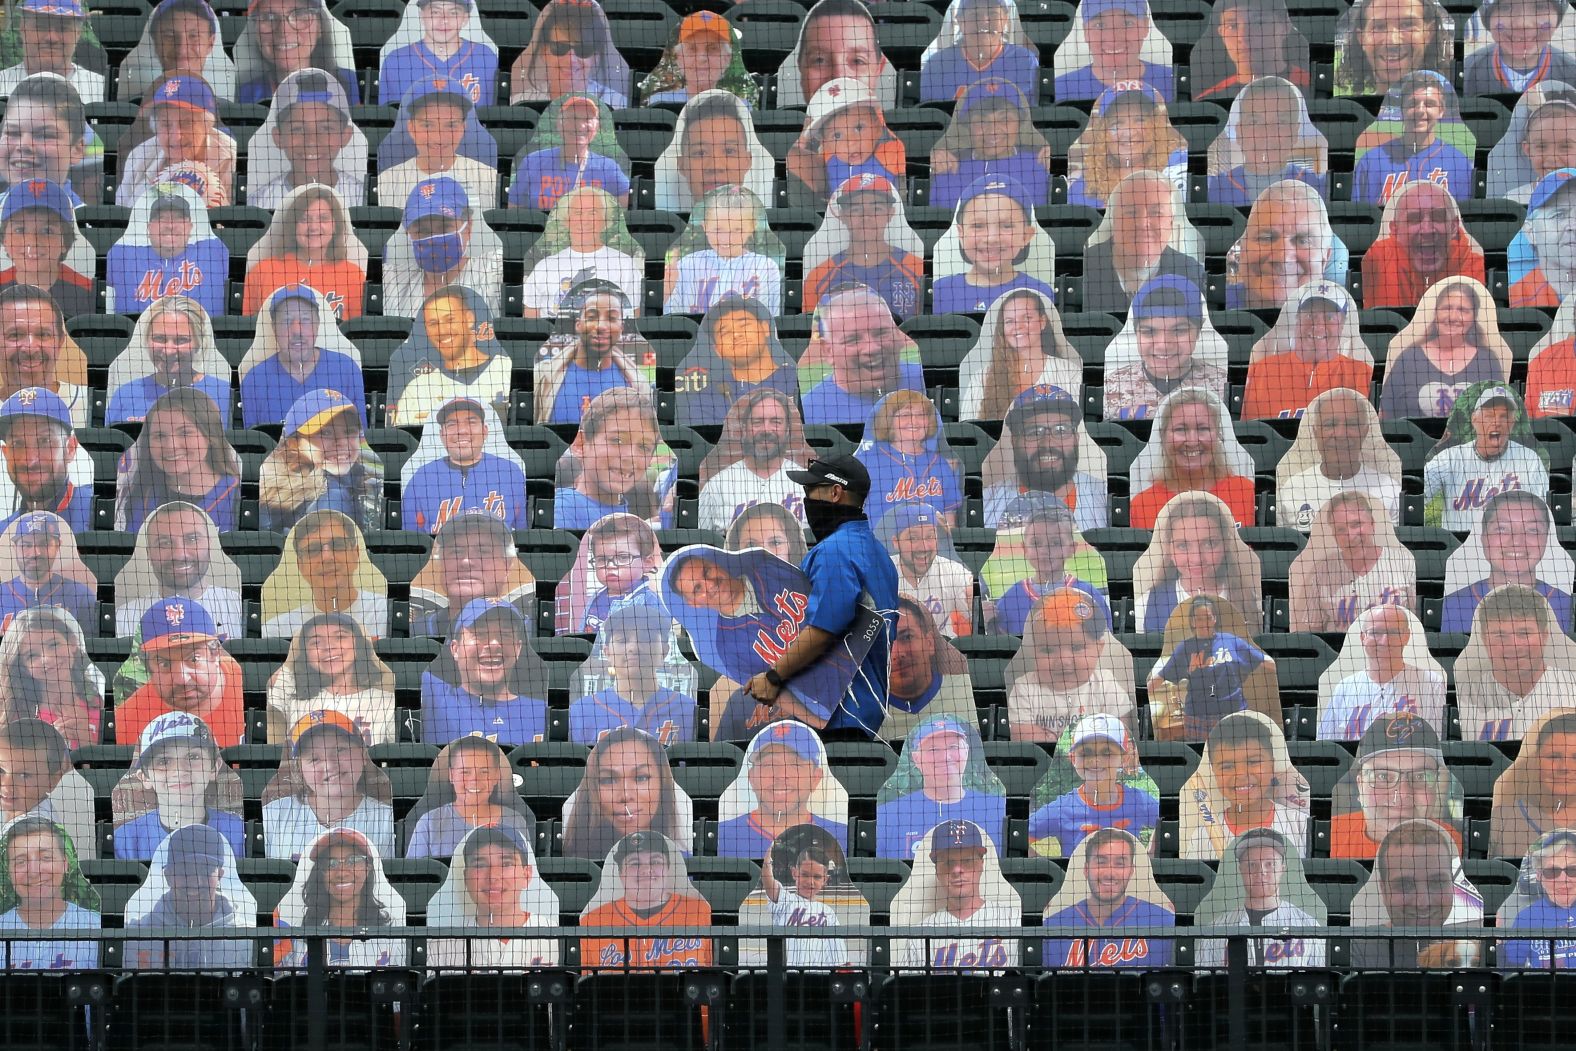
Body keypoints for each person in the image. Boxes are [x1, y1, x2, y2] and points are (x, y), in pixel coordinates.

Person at [743, 454, 900, 738]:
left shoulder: (835, 551)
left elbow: (823, 630)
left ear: (835, 492)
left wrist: (773, 676)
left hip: (836, 714)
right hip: (863, 710)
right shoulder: (879, 553)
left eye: (811, 490)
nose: (807, 499)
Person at [262, 712, 394, 862]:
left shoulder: (388, 821)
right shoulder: (272, 816)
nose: (330, 765)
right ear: (300, 769)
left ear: (363, 755)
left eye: (340, 750)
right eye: (314, 758)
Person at [1348, 820, 1482, 968]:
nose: (1422, 902)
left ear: (1452, 884)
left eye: (1437, 883)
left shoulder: (1481, 946)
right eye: (1405, 885)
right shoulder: (1354, 949)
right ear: (1384, 889)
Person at [891, 819, 1020, 971]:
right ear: (937, 871)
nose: (957, 870)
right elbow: (905, 992)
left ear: (981, 865)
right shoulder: (920, 934)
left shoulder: (1014, 922)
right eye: (948, 863)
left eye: (966, 861)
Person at [113, 710, 242, 860]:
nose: (180, 771)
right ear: (145, 777)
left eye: (193, 757)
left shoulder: (238, 832)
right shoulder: (125, 840)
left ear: (214, 768)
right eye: (163, 761)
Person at [1330, 712, 1461, 860]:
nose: (1403, 793)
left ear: (1435, 786)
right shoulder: (1327, 838)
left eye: (1420, 776)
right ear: (1360, 785)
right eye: (1383, 776)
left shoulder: (1455, 847)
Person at [124, 823, 255, 970]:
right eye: (184, 868)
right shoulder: (130, 940)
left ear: (220, 875)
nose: (195, 881)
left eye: (206, 869)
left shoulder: (250, 940)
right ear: (168, 875)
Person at [426, 825, 559, 969]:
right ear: (466, 878)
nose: (493, 876)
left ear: (526, 874)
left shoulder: (557, 938)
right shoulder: (440, 948)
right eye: (480, 865)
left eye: (506, 863)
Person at [1181, 711, 1310, 859]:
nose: (1241, 774)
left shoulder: (1301, 826)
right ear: (1214, 772)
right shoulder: (1201, 838)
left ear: (1272, 766)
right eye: (1227, 766)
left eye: (1253, 762)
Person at [115, 597, 242, 746]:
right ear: (149, 667)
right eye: (164, 663)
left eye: (193, 659)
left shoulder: (246, 683)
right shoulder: (126, 722)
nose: (181, 678)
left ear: (215, 655)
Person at [875, 714, 1006, 858]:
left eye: (953, 746)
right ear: (916, 759)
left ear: (966, 751)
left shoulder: (998, 809)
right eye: (933, 750)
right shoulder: (888, 816)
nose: (945, 757)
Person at [1456, 585, 1576, 742]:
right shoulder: (1461, 697)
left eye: (1524, 633)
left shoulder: (1572, 690)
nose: (1513, 645)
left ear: (1544, 636)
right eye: (1500, 635)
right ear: (1485, 640)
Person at [421, 598, 548, 746]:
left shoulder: (542, 714)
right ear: (455, 649)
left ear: (518, 649)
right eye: (480, 634)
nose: (494, 644)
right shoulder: (435, 699)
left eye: (505, 635)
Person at [1027, 714, 1158, 858]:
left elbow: (1171, 820)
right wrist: (1050, 870)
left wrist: (1149, 860)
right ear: (1073, 759)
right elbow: (1019, 835)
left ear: (1124, 759)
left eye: (1107, 752)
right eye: (1086, 753)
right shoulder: (1062, 809)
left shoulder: (1138, 800)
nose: (1095, 760)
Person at [1041, 828, 1175, 967]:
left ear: (1131, 871)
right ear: (1086, 870)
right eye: (1101, 862)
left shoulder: (1166, 922)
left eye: (1120, 863)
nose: (1110, 872)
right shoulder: (1051, 927)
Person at [1383, 278, 1512, 422]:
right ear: (1436, 313)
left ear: (1473, 317)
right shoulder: (1408, 358)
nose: (1453, 317)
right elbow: (1386, 414)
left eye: (1463, 310)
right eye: (1446, 308)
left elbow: (1501, 417)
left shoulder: (1487, 361)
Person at [1148, 596, 1276, 741]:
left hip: (1234, 713)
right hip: (1198, 718)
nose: (1204, 623)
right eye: (1199, 618)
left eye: (1208, 617)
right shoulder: (1184, 648)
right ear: (1192, 621)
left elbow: (1264, 660)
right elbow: (1160, 677)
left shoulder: (1231, 641)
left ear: (1214, 619)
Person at [580, 830, 712, 971]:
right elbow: (588, 986)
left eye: (655, 861)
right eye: (635, 863)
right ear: (620, 874)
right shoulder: (592, 921)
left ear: (667, 869)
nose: (646, 869)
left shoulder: (699, 911)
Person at [982, 385, 1108, 531]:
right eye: (1033, 432)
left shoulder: (1106, 499)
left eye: (1061, 430)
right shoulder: (985, 503)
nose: (1048, 443)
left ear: (1076, 438)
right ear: (1014, 441)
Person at [273, 827, 403, 969]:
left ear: (368, 867)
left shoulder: (393, 936)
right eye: (331, 863)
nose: (341, 872)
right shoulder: (297, 941)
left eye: (353, 861)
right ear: (321, 873)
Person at [1422, 385, 1549, 531]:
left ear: (1512, 423)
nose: (1497, 422)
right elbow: (1417, 494)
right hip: (1460, 549)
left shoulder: (1530, 460)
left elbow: (1544, 515)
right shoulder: (1450, 458)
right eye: (1489, 415)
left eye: (1504, 416)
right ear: (1474, 420)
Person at [1194, 828, 1327, 968]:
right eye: (1252, 864)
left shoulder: (1308, 926)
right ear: (1241, 870)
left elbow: (1321, 983)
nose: (1261, 872)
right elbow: (1203, 983)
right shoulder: (1217, 930)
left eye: (1270, 864)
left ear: (1282, 868)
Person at [1442, 491, 1572, 633]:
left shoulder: (1568, 607)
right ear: (1483, 537)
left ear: (1546, 538)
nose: (1516, 541)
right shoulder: (1449, 607)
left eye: (1532, 530)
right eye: (1502, 529)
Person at [239, 284, 366, 429]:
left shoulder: (345, 370)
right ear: (274, 328)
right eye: (286, 321)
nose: (296, 330)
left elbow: (359, 442)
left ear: (317, 325)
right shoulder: (254, 380)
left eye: (305, 320)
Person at [113, 387, 239, 534]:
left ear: (210, 436)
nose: (171, 446)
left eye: (185, 433)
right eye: (160, 436)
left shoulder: (238, 498)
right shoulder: (141, 497)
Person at [1241, 281, 1372, 420]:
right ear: (1297, 320)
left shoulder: (1363, 374)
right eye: (1310, 316)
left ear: (1342, 325)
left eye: (1329, 317)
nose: (1318, 325)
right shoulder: (1260, 371)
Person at [1289, 491, 1415, 633]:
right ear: (1334, 535)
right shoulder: (1322, 572)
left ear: (1372, 524)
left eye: (1356, 524)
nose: (1350, 535)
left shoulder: (1406, 564)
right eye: (1341, 529)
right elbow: (1312, 633)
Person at [1103, 275, 1226, 421]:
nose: (1164, 345)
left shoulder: (1222, 386)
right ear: (1136, 333)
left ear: (1198, 331)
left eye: (1179, 330)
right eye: (1149, 332)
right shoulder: (1111, 387)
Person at [1130, 388, 1256, 530]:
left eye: (1203, 429)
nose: (1192, 441)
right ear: (1163, 437)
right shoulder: (1141, 505)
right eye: (1180, 429)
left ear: (1217, 435)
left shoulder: (1246, 492)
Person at [385, 285, 511, 427]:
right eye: (433, 323)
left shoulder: (507, 370)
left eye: (450, 319)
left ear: (469, 318)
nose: (442, 330)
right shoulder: (418, 388)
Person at [717, 721, 847, 858]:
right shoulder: (721, 836)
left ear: (815, 778)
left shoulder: (841, 836)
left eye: (795, 765)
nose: (781, 775)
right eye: (769, 765)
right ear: (751, 777)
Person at [260, 389, 382, 536]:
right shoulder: (332, 497)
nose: (342, 442)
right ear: (293, 443)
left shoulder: (346, 479)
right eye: (325, 433)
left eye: (349, 432)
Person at [570, 604, 696, 746]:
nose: (633, 648)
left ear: (664, 650)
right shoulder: (581, 711)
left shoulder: (689, 709)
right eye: (622, 640)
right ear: (607, 653)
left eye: (646, 638)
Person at [1081, 171, 1207, 313]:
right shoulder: (1082, 267)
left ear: (1170, 222)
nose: (1142, 223)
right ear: (1113, 220)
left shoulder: (1194, 274)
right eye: (1130, 212)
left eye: (1156, 212)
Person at [1278, 388, 1402, 531]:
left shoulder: (1390, 491)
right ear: (1316, 432)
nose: (1341, 434)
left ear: (1365, 431)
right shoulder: (1292, 490)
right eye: (1330, 424)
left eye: (1351, 424)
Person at [1137, 493, 1261, 634]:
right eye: (1183, 546)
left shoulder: (1252, 603)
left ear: (1225, 544)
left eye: (1209, 543)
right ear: (1169, 548)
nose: (1196, 558)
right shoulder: (1145, 606)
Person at [931, 174, 1055, 315]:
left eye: (1007, 226)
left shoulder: (1041, 293)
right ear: (961, 233)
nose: (992, 238)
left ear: (1026, 236)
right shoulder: (938, 292)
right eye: (978, 225)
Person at [799, 286, 924, 425]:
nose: (872, 348)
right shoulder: (808, 411)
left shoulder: (926, 381)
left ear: (899, 337)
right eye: (853, 340)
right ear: (828, 351)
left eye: (881, 333)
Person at [244, 69, 366, 211]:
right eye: (297, 129)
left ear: (345, 136)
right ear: (278, 138)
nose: (311, 141)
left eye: (326, 128)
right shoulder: (258, 205)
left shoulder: (362, 199)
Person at [562, 727, 690, 861]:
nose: (625, 795)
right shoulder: (571, 865)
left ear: (662, 784)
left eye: (641, 778)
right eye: (608, 780)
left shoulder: (686, 863)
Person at [402, 397, 527, 534]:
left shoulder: (509, 472)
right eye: (452, 424)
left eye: (471, 422)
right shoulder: (422, 478)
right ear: (441, 434)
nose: (462, 430)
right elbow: (411, 541)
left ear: (485, 431)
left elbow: (524, 533)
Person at [384, 175, 502, 320]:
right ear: (408, 233)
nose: (434, 240)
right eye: (422, 231)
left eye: (444, 227)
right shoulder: (391, 281)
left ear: (468, 227)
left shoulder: (495, 271)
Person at [241, 185, 366, 321]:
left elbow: (357, 336)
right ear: (293, 225)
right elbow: (249, 333)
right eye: (304, 219)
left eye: (323, 218)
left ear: (335, 226)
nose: (313, 227)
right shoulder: (263, 272)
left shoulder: (353, 275)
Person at [1320, 606, 1446, 741]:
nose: (1385, 641)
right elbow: (1326, 748)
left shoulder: (1433, 684)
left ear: (1406, 636)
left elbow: (1439, 747)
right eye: (1376, 632)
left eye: (1393, 632)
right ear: (1363, 637)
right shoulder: (1345, 688)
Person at [265, 615, 395, 745]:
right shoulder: (293, 695)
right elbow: (277, 681)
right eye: (316, 642)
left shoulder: (384, 701)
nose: (328, 647)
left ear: (358, 645)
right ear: (305, 653)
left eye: (340, 637)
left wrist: (367, 649)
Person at [930, 78, 1054, 213]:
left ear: (1020, 124)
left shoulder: (1041, 164)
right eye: (981, 121)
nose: (993, 130)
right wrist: (929, 169)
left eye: (1004, 119)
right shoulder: (946, 169)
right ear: (967, 126)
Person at [1351, 71, 1474, 205]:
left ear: (1441, 111)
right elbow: (1359, 220)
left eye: (1429, 104)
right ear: (1402, 110)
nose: (1420, 111)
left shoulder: (1459, 163)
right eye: (1412, 104)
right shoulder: (1371, 162)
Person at [696, 390, 811, 533]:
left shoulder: (807, 485)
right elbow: (703, 545)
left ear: (787, 430)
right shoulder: (717, 486)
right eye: (757, 422)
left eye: (776, 422)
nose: (766, 429)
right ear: (744, 429)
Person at [674, 295, 798, 428]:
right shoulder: (708, 400)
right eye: (725, 332)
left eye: (744, 325)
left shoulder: (798, 381)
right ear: (717, 350)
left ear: (765, 328)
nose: (736, 335)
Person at [105, 297, 231, 427]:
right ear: (147, 340)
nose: (169, 351)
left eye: (181, 340)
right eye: (159, 338)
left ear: (199, 343)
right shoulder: (125, 395)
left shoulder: (225, 394)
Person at [115, 72, 235, 208]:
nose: (176, 136)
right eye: (166, 124)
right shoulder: (139, 156)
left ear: (206, 125)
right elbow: (121, 211)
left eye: (187, 123)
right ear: (155, 126)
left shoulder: (232, 159)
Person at [534, 286, 651, 426]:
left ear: (621, 328)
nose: (601, 326)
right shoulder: (542, 376)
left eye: (611, 318)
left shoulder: (639, 386)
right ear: (578, 325)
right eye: (591, 317)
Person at [105, 183, 227, 317]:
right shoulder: (122, 256)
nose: (170, 225)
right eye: (161, 218)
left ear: (190, 226)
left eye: (178, 219)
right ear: (149, 227)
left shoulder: (214, 252)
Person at [263, 511, 388, 640]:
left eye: (337, 545)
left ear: (355, 554)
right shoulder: (274, 632)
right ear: (300, 565)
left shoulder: (387, 615)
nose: (327, 557)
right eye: (313, 549)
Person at [377, 76, 497, 211]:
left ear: (463, 127)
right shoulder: (387, 182)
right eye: (427, 125)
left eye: (451, 125)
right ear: (411, 127)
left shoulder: (489, 179)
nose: (439, 137)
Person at [404, 736, 534, 860]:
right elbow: (415, 878)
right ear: (451, 775)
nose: (474, 780)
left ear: (496, 775)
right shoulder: (429, 823)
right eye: (465, 772)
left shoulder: (515, 821)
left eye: (484, 772)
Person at [1361, 181, 1486, 309]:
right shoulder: (1378, 257)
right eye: (1414, 219)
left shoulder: (1473, 264)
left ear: (1454, 226)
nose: (1427, 230)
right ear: (1395, 229)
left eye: (1438, 217)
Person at [988, 506, 1110, 636]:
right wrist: (988, 622)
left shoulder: (1089, 596)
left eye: (1056, 543)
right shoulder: (1009, 600)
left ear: (1071, 549)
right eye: (1036, 543)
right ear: (1025, 549)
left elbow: (1107, 643)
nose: (1045, 550)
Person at [785, 77, 905, 208]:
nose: (850, 142)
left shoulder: (890, 153)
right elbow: (796, 156)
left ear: (877, 127)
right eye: (837, 135)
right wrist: (803, 137)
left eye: (859, 128)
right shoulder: (829, 158)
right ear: (826, 143)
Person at [553, 387, 663, 530]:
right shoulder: (564, 509)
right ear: (581, 444)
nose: (630, 456)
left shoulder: (623, 514)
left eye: (643, 447)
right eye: (617, 440)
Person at [522, 188, 642, 319]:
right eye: (578, 212)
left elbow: (633, 321)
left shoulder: (624, 264)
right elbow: (530, 322)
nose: (585, 220)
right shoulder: (544, 267)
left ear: (605, 221)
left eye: (593, 213)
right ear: (567, 220)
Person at [1206, 76, 1326, 206]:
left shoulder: (1321, 187)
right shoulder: (1210, 188)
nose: (1266, 134)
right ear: (1239, 132)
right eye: (1254, 122)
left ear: (1294, 133)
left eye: (1281, 122)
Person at [663, 185, 782, 316]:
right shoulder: (687, 265)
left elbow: (771, 319)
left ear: (752, 227)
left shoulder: (766, 267)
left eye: (738, 230)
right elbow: (672, 318)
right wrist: (667, 291)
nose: (726, 238)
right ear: (705, 226)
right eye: (718, 230)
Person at [0, 815, 99, 969]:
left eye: (46, 858)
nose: (34, 872)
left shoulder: (97, 928)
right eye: (21, 861)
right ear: (9, 872)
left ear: (65, 864)